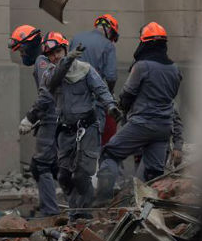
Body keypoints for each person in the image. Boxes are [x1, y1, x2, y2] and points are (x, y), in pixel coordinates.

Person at [94, 22, 182, 205]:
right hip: (164, 128)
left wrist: (120, 111)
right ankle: (145, 210)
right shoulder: (174, 68)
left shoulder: (142, 66)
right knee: (152, 175)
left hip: (142, 124)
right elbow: (172, 99)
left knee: (110, 153)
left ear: (144, 43)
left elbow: (127, 94)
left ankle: (102, 200)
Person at [42, 41, 123, 221]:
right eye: (51, 54)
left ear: (65, 48)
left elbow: (101, 89)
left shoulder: (85, 70)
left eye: (58, 51)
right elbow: (54, 81)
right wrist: (66, 60)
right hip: (65, 130)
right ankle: (75, 209)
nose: (55, 56)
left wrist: (110, 106)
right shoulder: (49, 74)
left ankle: (82, 214)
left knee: (81, 174)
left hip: (87, 128)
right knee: (63, 175)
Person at [8, 25, 59, 216]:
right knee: (56, 166)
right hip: (52, 118)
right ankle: (68, 207)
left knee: (41, 166)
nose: (21, 54)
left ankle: (50, 211)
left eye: (21, 50)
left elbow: (47, 95)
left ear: (30, 45)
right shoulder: (46, 60)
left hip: (51, 119)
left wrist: (31, 117)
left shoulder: (41, 62)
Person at [69, 14, 119, 140]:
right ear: (109, 30)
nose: (112, 40)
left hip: (72, 100)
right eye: (113, 36)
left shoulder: (76, 38)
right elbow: (111, 76)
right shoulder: (108, 45)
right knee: (93, 140)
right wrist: (110, 92)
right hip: (93, 101)